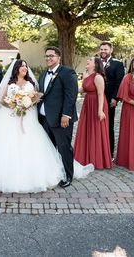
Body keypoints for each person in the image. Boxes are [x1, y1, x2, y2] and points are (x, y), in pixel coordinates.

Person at [0, 59, 66, 193]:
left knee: (29, 144)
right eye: (22, 66)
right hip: (9, 117)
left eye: (26, 66)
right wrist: (14, 104)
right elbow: (1, 99)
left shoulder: (31, 84)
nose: (25, 68)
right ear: (16, 69)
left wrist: (27, 104)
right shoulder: (10, 83)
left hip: (28, 118)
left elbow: (36, 99)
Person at [38, 46, 78, 188]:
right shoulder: (43, 75)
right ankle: (53, 174)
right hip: (44, 119)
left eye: (52, 56)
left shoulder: (67, 72)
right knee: (48, 149)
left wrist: (66, 115)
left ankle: (68, 176)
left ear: (59, 57)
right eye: (46, 56)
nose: (48, 58)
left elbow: (71, 96)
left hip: (62, 119)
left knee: (64, 148)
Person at [74, 57, 112, 169]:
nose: (87, 60)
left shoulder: (98, 77)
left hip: (97, 104)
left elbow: (101, 94)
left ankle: (97, 159)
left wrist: (100, 110)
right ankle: (86, 156)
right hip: (88, 104)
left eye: (90, 60)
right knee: (87, 129)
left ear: (95, 64)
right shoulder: (86, 75)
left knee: (96, 130)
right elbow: (81, 90)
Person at [99, 41, 125, 158]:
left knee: (109, 125)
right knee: (96, 124)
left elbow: (119, 82)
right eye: (102, 49)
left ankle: (109, 153)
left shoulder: (117, 64)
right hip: (96, 98)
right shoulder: (96, 62)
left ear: (111, 50)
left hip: (110, 99)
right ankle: (97, 149)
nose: (103, 51)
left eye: (105, 49)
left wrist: (115, 98)